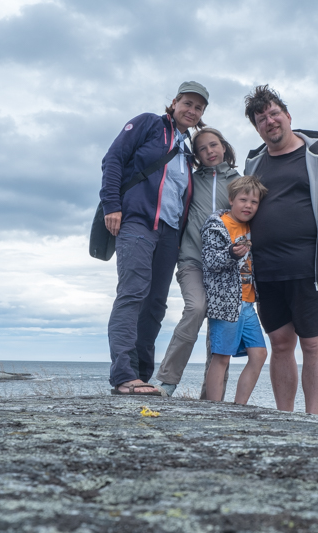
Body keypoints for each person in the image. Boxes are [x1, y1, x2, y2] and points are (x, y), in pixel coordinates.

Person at [242, 85, 318, 414]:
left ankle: (313, 418)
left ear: (288, 115)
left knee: (312, 343)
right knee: (280, 344)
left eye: (274, 113)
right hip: (266, 269)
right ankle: (286, 416)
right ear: (257, 127)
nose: (270, 121)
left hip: (312, 268)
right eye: (261, 118)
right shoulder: (254, 164)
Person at [100, 81, 209, 395]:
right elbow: (113, 160)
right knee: (132, 294)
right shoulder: (149, 123)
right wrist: (112, 205)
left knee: (155, 305)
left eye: (198, 107)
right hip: (137, 222)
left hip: (169, 234)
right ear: (174, 103)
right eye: (187, 103)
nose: (192, 110)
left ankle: (140, 377)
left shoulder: (188, 147)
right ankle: (123, 376)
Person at [154, 128, 241, 398]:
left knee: (220, 325)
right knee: (196, 308)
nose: (209, 151)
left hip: (227, 268)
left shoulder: (240, 181)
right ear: (197, 155)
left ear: (224, 147)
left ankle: (211, 395)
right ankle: (166, 382)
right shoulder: (190, 180)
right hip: (192, 260)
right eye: (202, 149)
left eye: (213, 145)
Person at [201, 176, 268, 404]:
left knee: (259, 355)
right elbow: (210, 261)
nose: (248, 205)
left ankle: (239, 408)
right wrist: (231, 254)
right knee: (221, 357)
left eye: (254, 202)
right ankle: (215, 408)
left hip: (248, 303)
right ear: (231, 200)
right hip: (226, 303)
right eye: (243, 199)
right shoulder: (217, 224)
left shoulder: (253, 227)